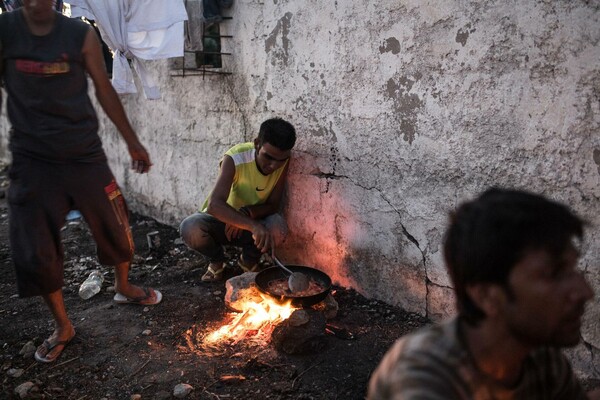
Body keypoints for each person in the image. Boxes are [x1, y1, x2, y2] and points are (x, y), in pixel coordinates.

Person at [0, 0, 162, 364]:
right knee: (35, 248)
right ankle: (63, 327)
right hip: (32, 160)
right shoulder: (6, 31)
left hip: (83, 155)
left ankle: (123, 286)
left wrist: (133, 141)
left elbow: (103, 89)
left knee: (117, 225)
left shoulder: (79, 33)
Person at [368, 188, 600, 400]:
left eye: (573, 270)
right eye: (554, 274)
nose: (585, 292)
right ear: (487, 296)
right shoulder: (422, 378)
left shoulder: (541, 357)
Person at [180, 118, 296, 282]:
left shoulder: (283, 161)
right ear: (257, 143)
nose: (273, 166)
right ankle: (217, 261)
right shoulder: (235, 158)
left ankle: (248, 261)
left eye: (280, 160)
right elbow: (215, 205)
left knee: (277, 227)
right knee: (190, 227)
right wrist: (251, 225)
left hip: (251, 225)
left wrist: (247, 214)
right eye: (268, 157)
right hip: (222, 223)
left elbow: (274, 205)